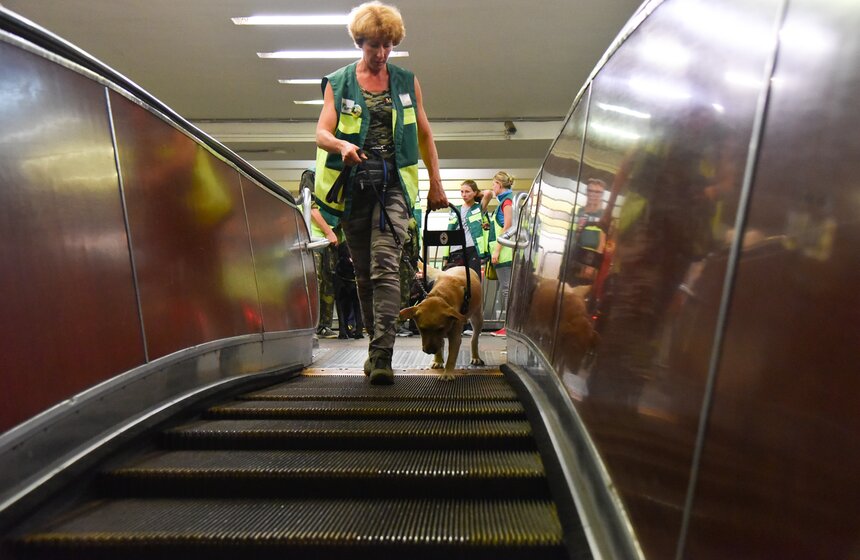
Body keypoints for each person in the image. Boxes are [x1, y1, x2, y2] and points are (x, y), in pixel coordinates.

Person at [314, 1, 448, 384]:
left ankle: (382, 354)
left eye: (388, 45)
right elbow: (321, 132)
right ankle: (377, 338)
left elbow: (424, 133)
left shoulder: (406, 81)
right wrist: (341, 146)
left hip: (393, 188)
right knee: (363, 274)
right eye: (374, 45)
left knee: (385, 264)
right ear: (360, 42)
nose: (382, 53)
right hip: (355, 189)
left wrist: (436, 182)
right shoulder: (339, 82)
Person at [304, 169, 341, 339]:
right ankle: (311, 325)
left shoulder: (337, 177)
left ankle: (324, 326)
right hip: (315, 239)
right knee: (315, 282)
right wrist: (328, 233)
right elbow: (311, 209)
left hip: (331, 242)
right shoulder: (310, 175)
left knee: (329, 282)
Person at [482, 171, 515, 337]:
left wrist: (497, 250)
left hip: (505, 254)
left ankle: (509, 327)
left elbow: (507, 225)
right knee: (507, 289)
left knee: (507, 290)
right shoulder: (505, 201)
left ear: (499, 185)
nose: (492, 187)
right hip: (505, 253)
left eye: (493, 184)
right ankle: (509, 326)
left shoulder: (507, 202)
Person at [442, 180, 487, 278]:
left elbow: (488, 194)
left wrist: (479, 194)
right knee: (455, 281)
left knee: (473, 279)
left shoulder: (479, 208)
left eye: (467, 191)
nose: (464, 195)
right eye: (462, 192)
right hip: (456, 250)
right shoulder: (454, 209)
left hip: (472, 248)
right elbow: (448, 232)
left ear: (475, 192)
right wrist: (446, 256)